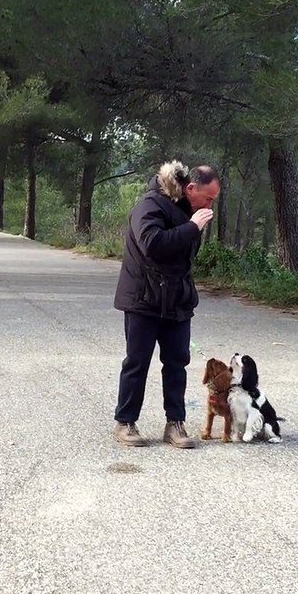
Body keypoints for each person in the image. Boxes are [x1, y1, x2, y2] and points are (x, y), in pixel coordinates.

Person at [112, 160, 219, 448]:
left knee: (177, 363)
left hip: (177, 300)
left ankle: (175, 423)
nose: (210, 205)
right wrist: (192, 228)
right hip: (144, 298)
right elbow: (152, 244)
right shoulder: (149, 205)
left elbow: (183, 256)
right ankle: (125, 422)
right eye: (208, 198)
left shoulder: (189, 213)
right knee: (137, 362)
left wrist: (192, 226)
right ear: (191, 188)